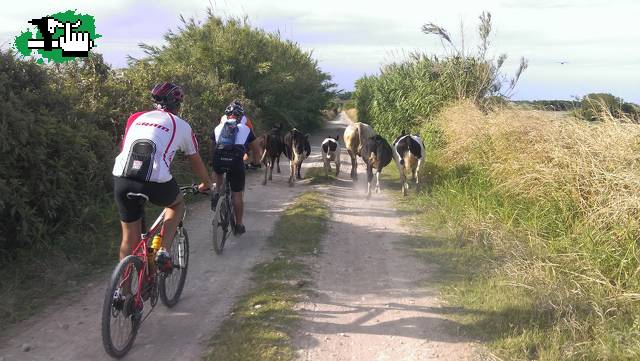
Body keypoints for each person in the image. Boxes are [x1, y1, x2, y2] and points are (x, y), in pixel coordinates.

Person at [112, 82, 212, 272]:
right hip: (155, 181)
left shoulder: (135, 117)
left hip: (122, 177)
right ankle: (163, 251)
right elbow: (195, 159)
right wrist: (206, 183)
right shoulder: (181, 125)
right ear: (178, 105)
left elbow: (125, 147)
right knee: (176, 203)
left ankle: (122, 296)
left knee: (128, 239)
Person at [211, 102, 256, 235]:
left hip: (218, 158)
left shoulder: (218, 127)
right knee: (237, 193)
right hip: (236, 161)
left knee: (217, 174)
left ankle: (216, 195)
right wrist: (256, 162)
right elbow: (256, 148)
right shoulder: (246, 128)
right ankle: (239, 224)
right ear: (241, 116)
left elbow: (212, 145)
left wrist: (212, 161)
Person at [219, 100, 261, 169]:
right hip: (240, 148)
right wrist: (256, 162)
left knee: (217, 174)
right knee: (252, 143)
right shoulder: (246, 119)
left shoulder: (223, 118)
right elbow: (252, 135)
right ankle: (249, 161)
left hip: (222, 147)